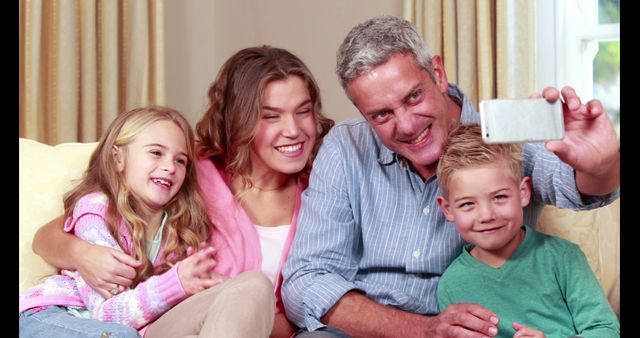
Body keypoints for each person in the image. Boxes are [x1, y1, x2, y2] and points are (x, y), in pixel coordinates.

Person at [281, 15, 620, 338]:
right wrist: (421, 331)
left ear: (438, 74)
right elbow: (306, 280)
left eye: (413, 97)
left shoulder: (503, 135)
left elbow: (579, 187)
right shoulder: (345, 147)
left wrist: (601, 163)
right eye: (381, 114)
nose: (408, 125)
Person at [32, 46, 334, 338]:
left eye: (303, 111)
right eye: (271, 116)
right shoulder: (189, 177)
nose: (293, 130)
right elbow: (54, 234)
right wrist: (82, 254)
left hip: (229, 324)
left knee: (252, 288)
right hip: (158, 319)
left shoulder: (326, 192)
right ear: (239, 120)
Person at [20, 105, 276, 337]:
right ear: (117, 158)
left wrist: (208, 286)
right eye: (156, 153)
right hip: (56, 318)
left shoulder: (181, 228)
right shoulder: (96, 211)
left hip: (137, 328)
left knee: (253, 285)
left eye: (180, 160)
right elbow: (107, 314)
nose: (170, 167)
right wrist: (176, 283)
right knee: (121, 336)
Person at [434, 123, 619, 338]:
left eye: (499, 197)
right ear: (448, 209)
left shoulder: (563, 257)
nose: (486, 216)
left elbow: (606, 330)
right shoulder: (451, 284)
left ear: (523, 192)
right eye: (467, 204)